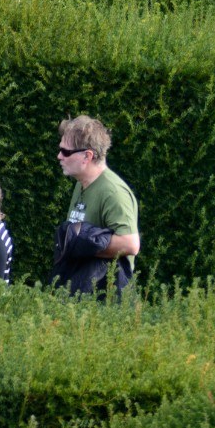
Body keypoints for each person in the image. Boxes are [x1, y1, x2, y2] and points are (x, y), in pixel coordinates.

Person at [50, 115, 141, 297]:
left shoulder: (113, 193)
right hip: (80, 290)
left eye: (66, 152)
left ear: (87, 156)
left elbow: (131, 244)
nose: (59, 156)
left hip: (105, 298)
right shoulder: (81, 183)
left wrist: (83, 244)